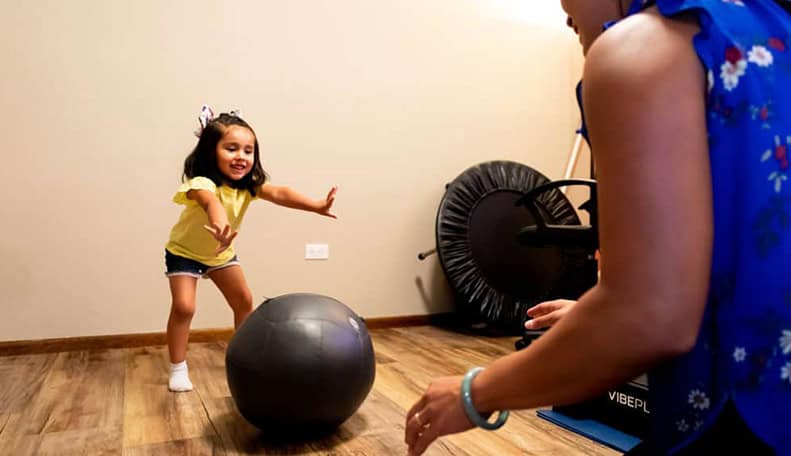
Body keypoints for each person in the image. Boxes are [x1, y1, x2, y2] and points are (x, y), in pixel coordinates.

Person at [405, 0, 791, 454]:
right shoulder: (770, 25)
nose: (563, 11)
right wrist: (601, 312)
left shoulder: (638, 51)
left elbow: (650, 320)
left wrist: (474, 392)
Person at [164, 106, 337, 392]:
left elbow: (280, 193)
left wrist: (317, 206)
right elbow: (211, 203)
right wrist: (220, 225)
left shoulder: (248, 187)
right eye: (231, 149)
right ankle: (178, 367)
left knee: (244, 301)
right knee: (184, 307)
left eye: (248, 150)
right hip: (184, 251)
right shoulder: (200, 183)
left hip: (220, 254)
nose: (241, 157)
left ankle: (241, 358)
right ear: (211, 152)